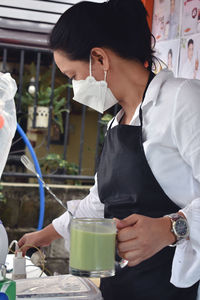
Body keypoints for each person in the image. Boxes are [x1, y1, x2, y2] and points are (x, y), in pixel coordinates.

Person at [18, 1, 200, 299]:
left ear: (99, 58)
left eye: (74, 76)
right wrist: (45, 234)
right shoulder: (117, 123)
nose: (75, 89)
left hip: (173, 288)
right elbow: (99, 201)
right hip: (123, 284)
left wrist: (173, 227)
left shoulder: (183, 101)